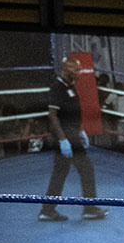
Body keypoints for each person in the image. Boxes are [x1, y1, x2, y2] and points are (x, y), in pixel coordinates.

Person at [40, 57, 107, 222]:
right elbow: (53, 116)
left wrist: (81, 130)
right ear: (66, 69)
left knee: (62, 173)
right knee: (84, 170)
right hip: (65, 138)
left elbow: (71, 114)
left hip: (73, 136)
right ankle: (88, 208)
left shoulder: (70, 86)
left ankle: (48, 210)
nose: (79, 74)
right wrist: (63, 140)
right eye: (76, 70)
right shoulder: (57, 88)